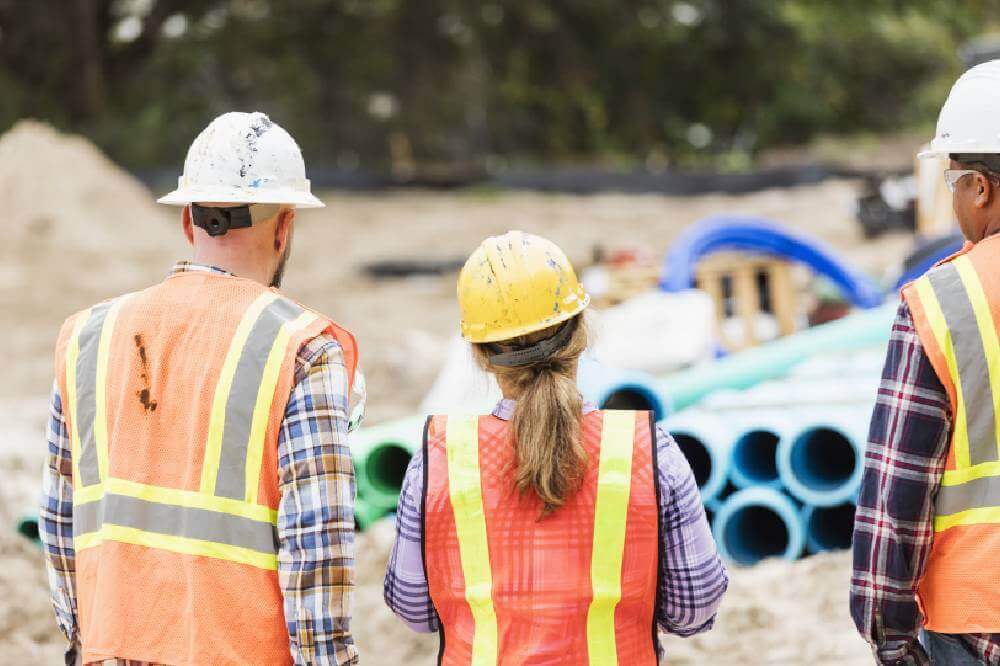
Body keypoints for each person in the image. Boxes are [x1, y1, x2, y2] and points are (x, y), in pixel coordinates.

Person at [40, 111, 365, 665]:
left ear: (188, 222)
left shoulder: (87, 337)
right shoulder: (303, 349)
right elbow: (318, 543)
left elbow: (60, 522)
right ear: (284, 226)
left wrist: (82, 640)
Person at [383, 230, 727, 663]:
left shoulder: (440, 461)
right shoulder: (647, 452)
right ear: (580, 332)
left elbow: (414, 609)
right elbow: (693, 608)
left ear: (479, 353)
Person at [852, 60, 1000, 665]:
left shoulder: (945, 303)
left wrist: (889, 635)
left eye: (953, 178)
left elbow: (896, 490)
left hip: (978, 619)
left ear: (982, 187)